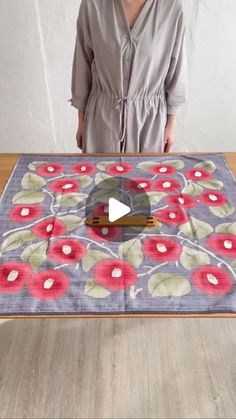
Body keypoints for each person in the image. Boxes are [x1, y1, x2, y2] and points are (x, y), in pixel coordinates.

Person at [70, 0, 188, 153]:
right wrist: (81, 121)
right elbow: (82, 63)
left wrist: (170, 126)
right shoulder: (93, 5)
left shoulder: (171, 7)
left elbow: (177, 65)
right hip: (102, 123)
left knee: (145, 175)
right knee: (101, 175)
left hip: (149, 124)